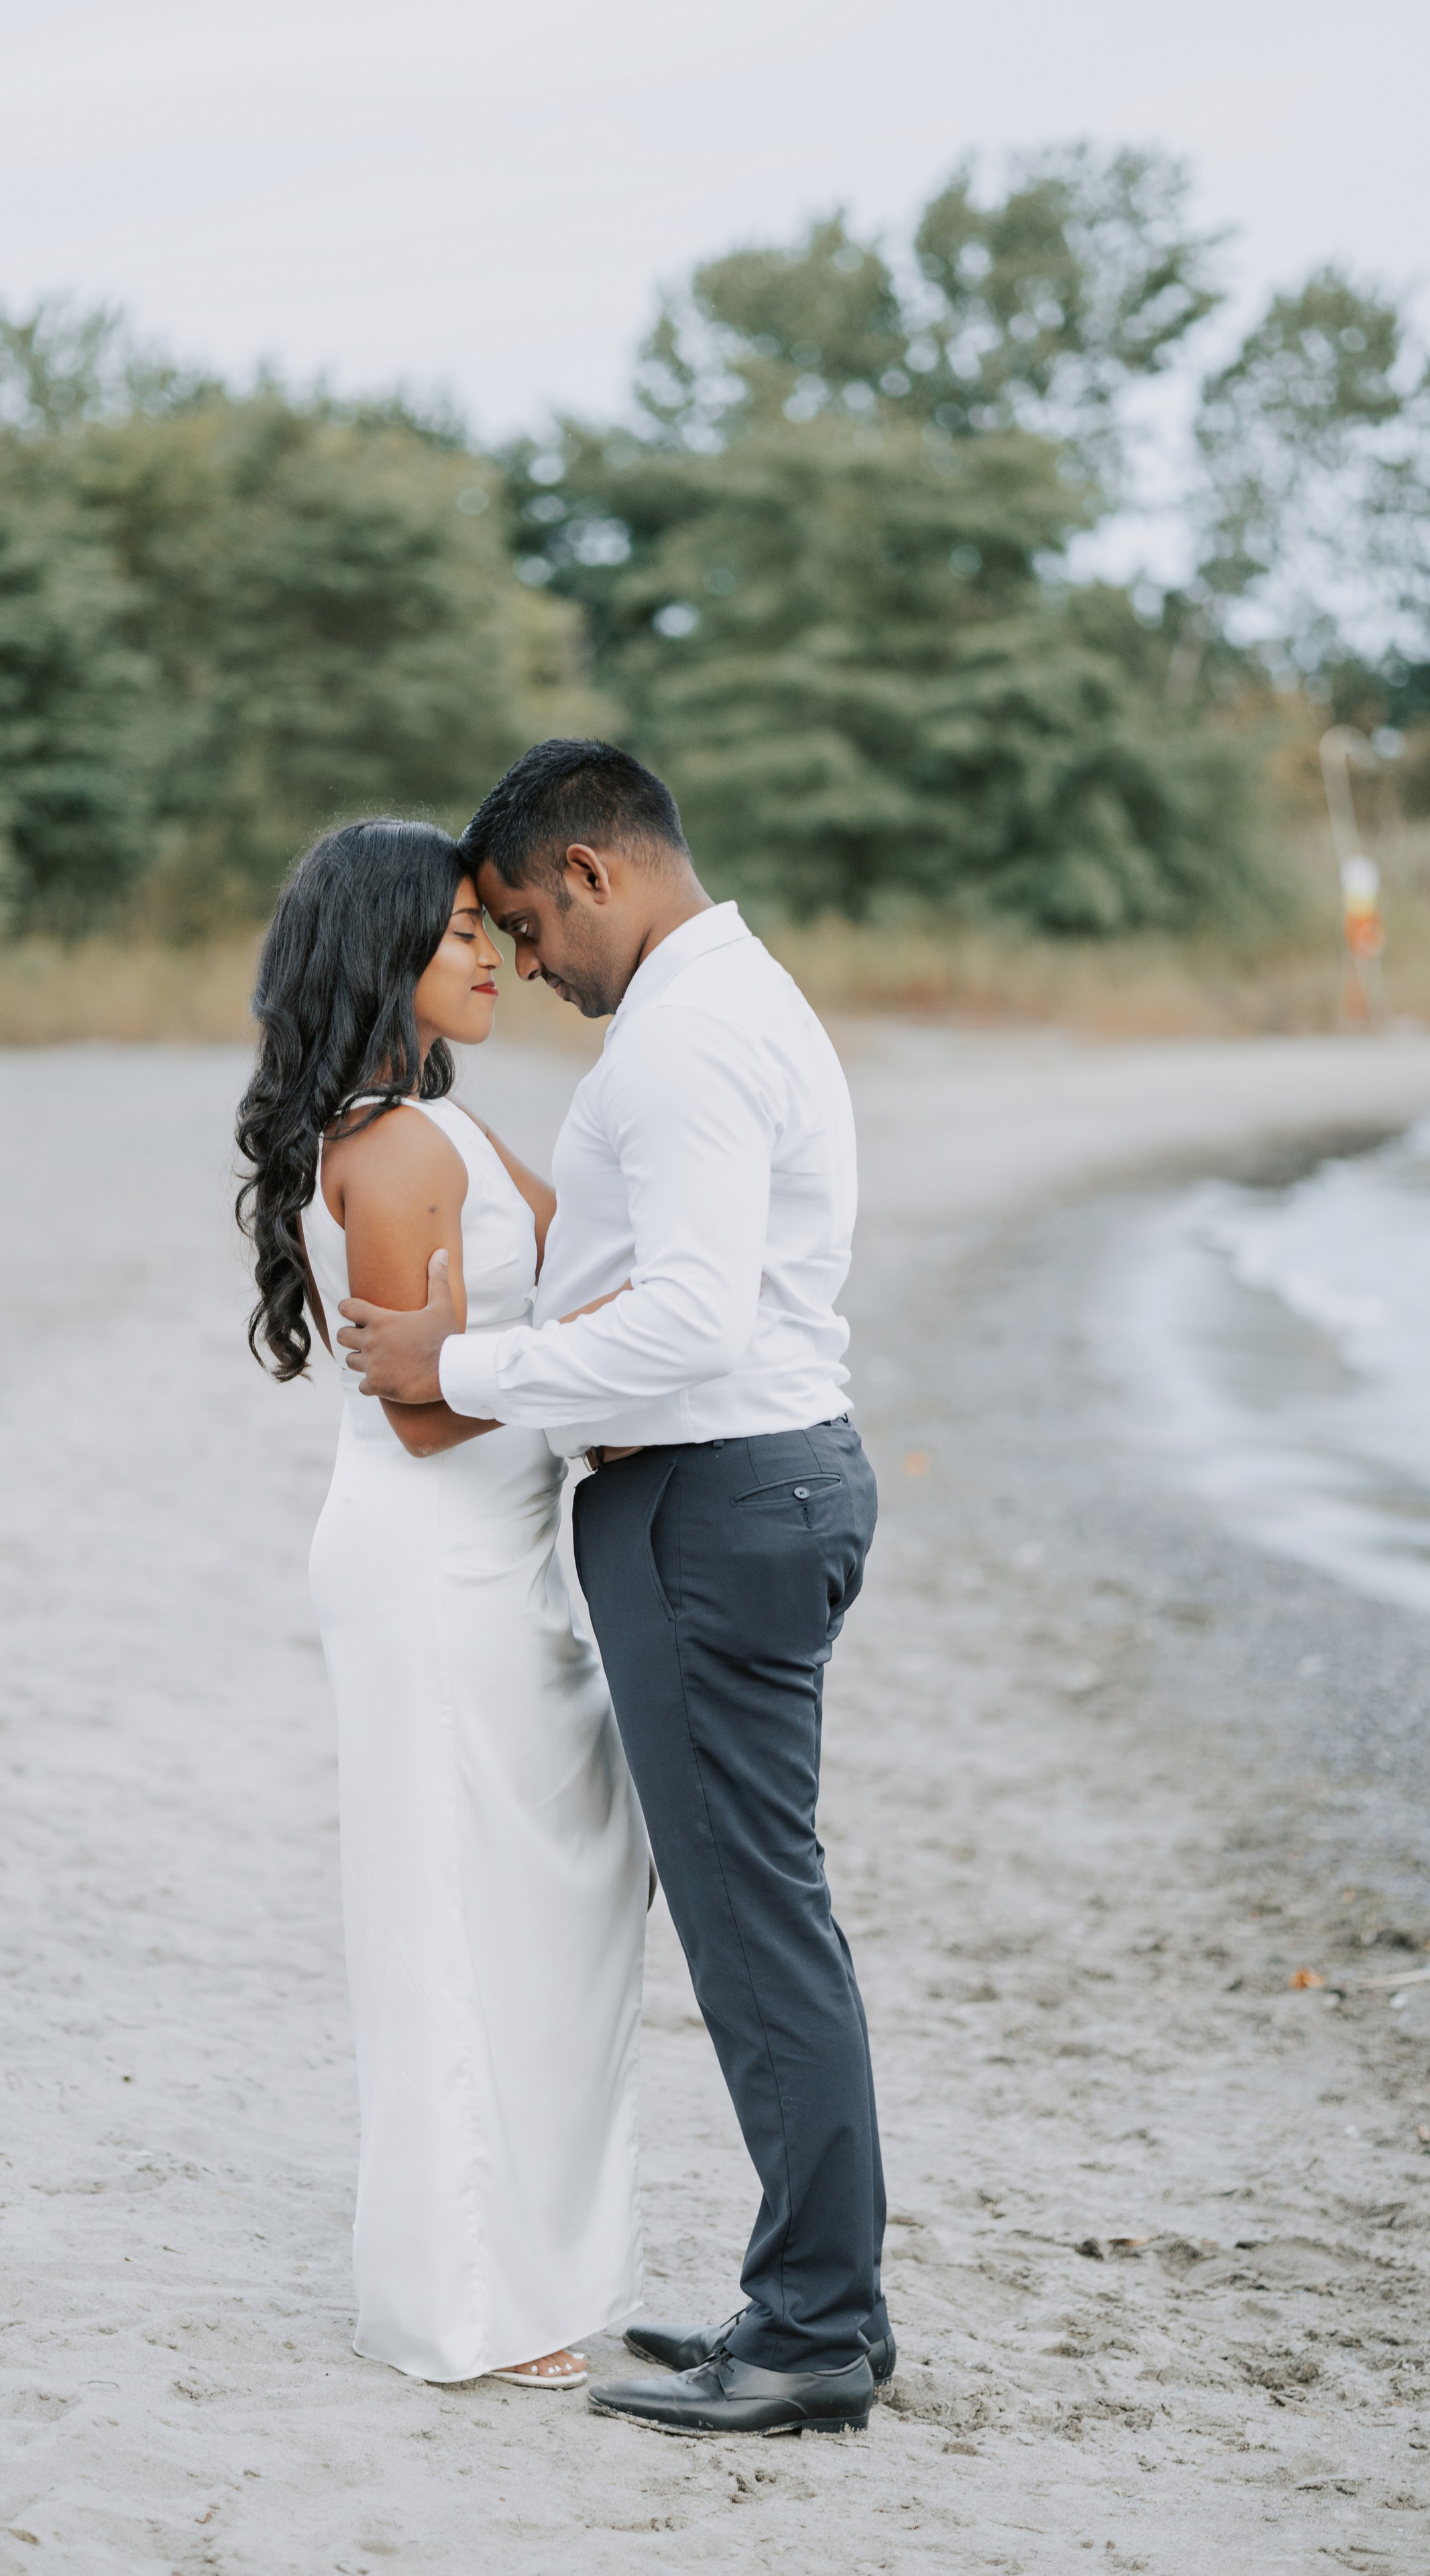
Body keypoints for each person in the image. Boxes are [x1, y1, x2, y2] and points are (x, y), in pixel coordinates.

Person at [339, 743, 892, 2439]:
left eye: (522, 918)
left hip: (716, 1501)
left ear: (589, 873)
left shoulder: (687, 1038)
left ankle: (810, 2329)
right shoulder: (724, 1003)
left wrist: (464, 1355)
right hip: (746, 1489)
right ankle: (808, 2308)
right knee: (756, 1917)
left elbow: (694, 1321)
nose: (524, 962)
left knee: (751, 1933)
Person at [235, 817, 649, 2390]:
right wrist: (593, 1378)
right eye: (461, 931)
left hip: (503, 1557)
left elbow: (578, 1264)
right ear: (382, 955)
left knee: (548, 1898)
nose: (493, 954)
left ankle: (528, 2266)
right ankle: (464, 2305)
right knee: (454, 1918)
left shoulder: (441, 1128)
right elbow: (424, 1408)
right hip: (430, 1559)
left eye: (494, 927)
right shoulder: (394, 1150)